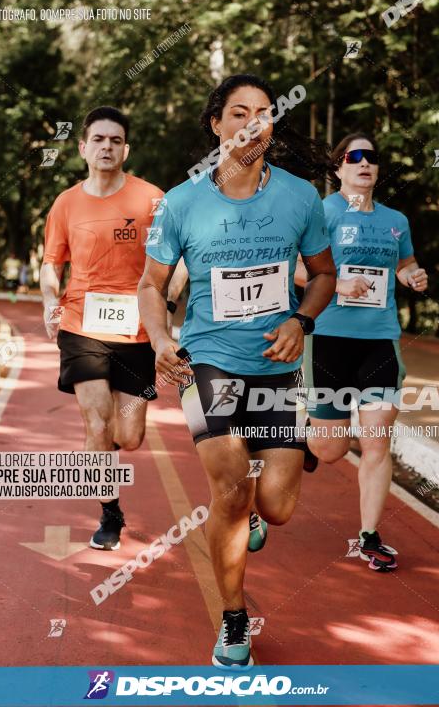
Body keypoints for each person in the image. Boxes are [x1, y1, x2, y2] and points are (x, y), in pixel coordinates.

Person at [138, 74, 336, 667]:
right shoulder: (180, 202)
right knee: (229, 489)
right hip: (209, 363)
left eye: (264, 113)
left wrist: (301, 320)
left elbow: (323, 275)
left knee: (274, 507)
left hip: (273, 366)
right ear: (216, 124)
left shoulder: (300, 197)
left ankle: (266, 490)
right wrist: (159, 338)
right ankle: (233, 619)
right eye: (239, 112)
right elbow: (150, 286)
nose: (253, 123)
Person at [40, 106, 185, 551]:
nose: (106, 147)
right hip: (81, 323)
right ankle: (110, 511)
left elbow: (178, 260)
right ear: (83, 148)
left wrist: (167, 306)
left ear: (126, 149)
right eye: (98, 140)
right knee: (97, 418)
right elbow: (52, 263)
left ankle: (105, 454)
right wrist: (50, 301)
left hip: (138, 330)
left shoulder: (152, 199)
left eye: (115, 141)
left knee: (129, 435)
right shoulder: (66, 202)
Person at [299, 132, 428, 572]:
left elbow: (404, 262)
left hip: (380, 340)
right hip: (329, 339)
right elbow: (296, 268)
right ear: (338, 168)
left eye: (371, 157)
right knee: (332, 449)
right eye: (354, 157)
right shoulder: (322, 212)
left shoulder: (396, 220)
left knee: (377, 441)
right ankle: (307, 442)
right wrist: (335, 283)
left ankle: (370, 536)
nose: (364, 163)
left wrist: (412, 275)